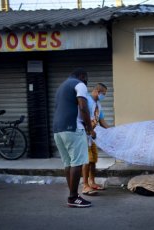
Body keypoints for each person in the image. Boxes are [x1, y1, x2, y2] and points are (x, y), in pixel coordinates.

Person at [53, 68, 95, 208]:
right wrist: (89, 128)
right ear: (82, 76)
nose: (86, 82)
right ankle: (73, 197)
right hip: (73, 128)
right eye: (86, 79)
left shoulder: (61, 87)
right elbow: (83, 107)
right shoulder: (79, 84)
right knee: (77, 163)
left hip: (58, 130)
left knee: (68, 163)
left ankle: (73, 195)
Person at [82, 83, 110, 195]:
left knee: (93, 160)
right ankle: (85, 185)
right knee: (87, 160)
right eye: (103, 93)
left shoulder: (98, 103)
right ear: (97, 91)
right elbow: (83, 116)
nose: (104, 96)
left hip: (93, 136)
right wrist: (89, 129)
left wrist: (111, 130)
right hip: (85, 135)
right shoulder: (86, 101)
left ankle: (92, 182)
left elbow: (101, 120)